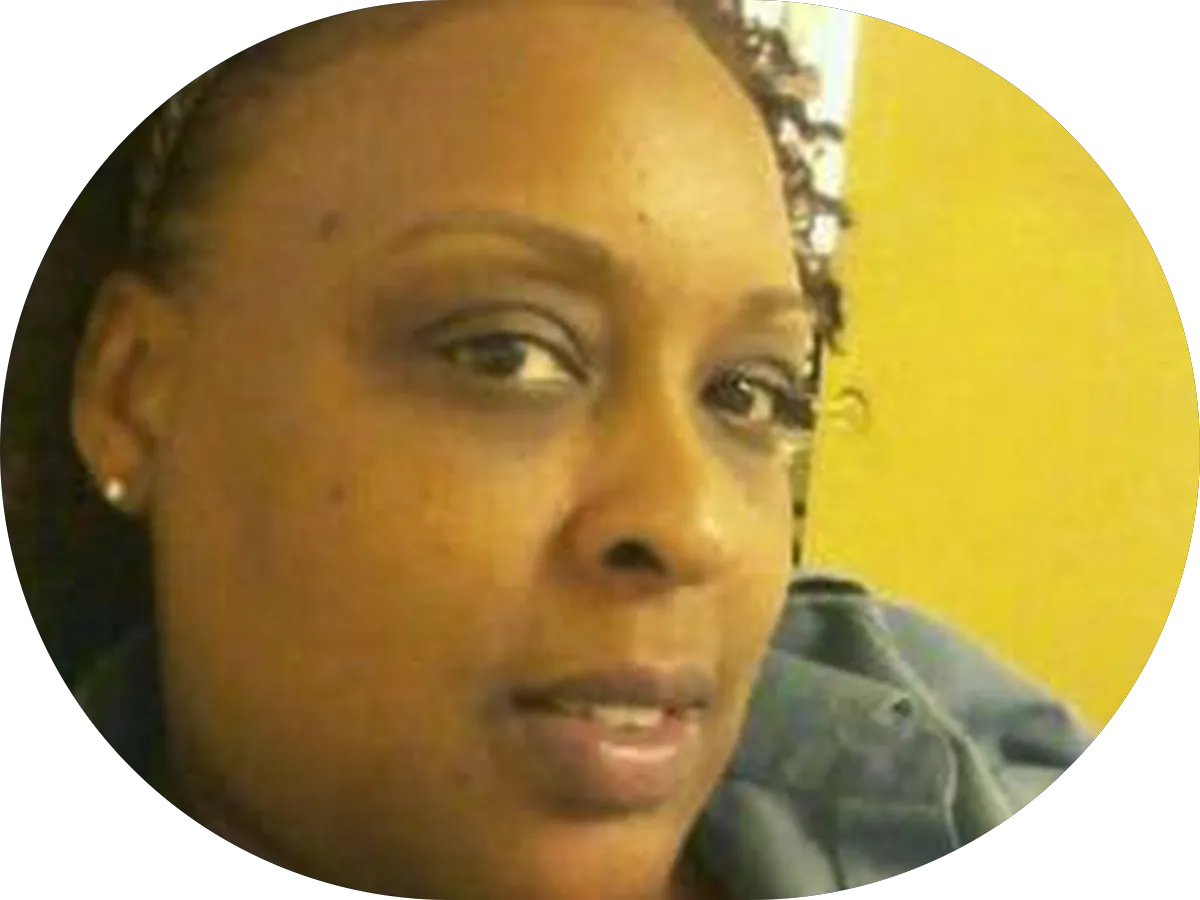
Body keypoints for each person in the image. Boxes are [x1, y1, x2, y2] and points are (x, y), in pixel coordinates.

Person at [1, 2, 1093, 898]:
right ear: (134, 394)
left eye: (747, 392)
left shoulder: (939, 736)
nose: (693, 524)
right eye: (506, 355)